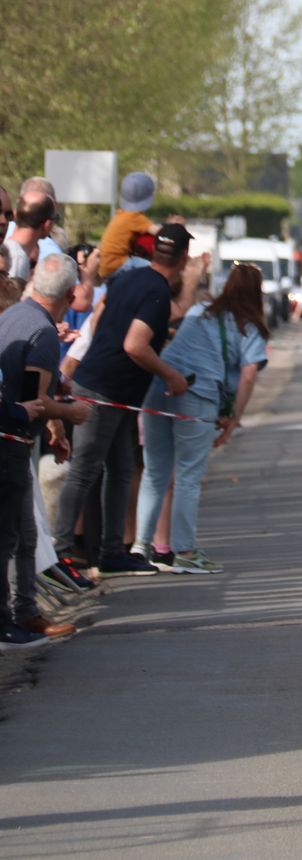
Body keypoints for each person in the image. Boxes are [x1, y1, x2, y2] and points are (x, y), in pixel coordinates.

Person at [52, 224, 198, 576]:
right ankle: (59, 554)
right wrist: (171, 375)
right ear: (183, 258)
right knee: (85, 470)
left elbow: (100, 317)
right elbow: (135, 344)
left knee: (119, 470)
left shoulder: (128, 279)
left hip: (112, 389)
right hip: (103, 390)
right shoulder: (158, 293)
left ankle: (112, 551)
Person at [134, 263, 269, 574]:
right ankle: (184, 550)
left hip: (158, 386)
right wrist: (234, 418)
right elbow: (248, 376)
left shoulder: (200, 311)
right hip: (199, 394)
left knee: (155, 471)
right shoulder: (249, 326)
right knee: (188, 476)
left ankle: (141, 546)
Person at [0, 254, 91, 647]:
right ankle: (12, 619)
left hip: (14, 441)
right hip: (11, 443)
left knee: (23, 534)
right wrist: (70, 412)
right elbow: (34, 402)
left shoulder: (15, 315)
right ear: (71, 295)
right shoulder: (42, 332)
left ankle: (25, 614)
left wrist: (54, 421)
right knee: (13, 536)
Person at [97, 172, 162, 280]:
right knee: (156, 270)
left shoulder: (121, 214)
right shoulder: (135, 217)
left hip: (105, 265)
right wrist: (173, 227)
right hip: (117, 263)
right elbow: (159, 232)